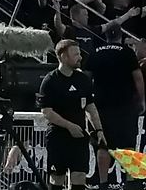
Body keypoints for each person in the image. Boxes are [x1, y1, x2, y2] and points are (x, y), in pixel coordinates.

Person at [38, 39, 106, 190]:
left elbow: (90, 107)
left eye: (79, 53)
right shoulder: (50, 80)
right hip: (58, 137)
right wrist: (69, 126)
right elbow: (47, 112)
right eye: (75, 54)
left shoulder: (83, 79)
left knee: (79, 176)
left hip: (80, 137)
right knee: (57, 178)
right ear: (63, 56)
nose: (80, 57)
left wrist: (99, 130)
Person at [85, 28, 144, 189]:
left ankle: (103, 182)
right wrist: (141, 100)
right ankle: (130, 181)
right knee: (128, 143)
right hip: (125, 104)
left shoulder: (95, 52)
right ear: (121, 36)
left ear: (105, 36)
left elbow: (86, 77)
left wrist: (87, 99)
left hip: (101, 104)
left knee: (102, 144)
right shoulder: (127, 52)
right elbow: (138, 77)